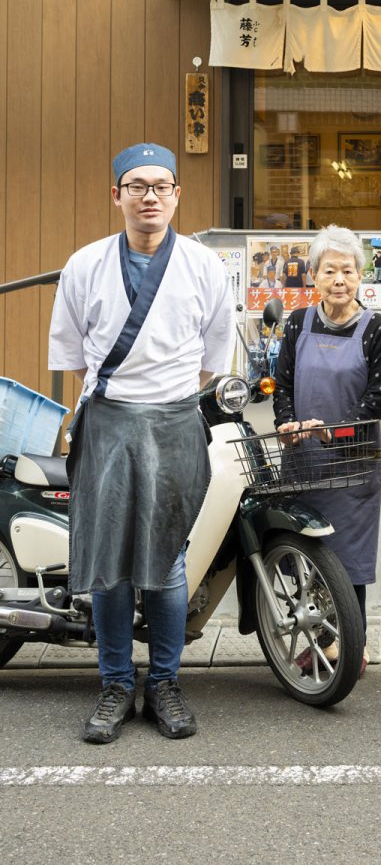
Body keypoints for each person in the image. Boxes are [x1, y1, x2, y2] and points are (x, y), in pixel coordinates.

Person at [48, 143, 235, 744]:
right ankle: (113, 682)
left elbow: (213, 353)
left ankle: (165, 681)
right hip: (108, 420)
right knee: (109, 557)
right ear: (117, 195)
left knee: (168, 557)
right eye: (137, 185)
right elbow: (72, 354)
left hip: (176, 420)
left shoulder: (204, 266)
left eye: (160, 185)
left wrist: (167, 399)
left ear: (177, 194)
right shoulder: (84, 264)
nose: (149, 195)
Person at [273, 225, 381, 675]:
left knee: (348, 559)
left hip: (353, 465)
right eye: (330, 270)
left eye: (348, 270)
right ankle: (323, 640)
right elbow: (282, 383)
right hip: (302, 457)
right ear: (314, 275)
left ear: (360, 275)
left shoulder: (378, 330)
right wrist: (285, 423)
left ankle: (352, 646)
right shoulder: (298, 322)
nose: (339, 279)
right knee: (306, 557)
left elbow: (376, 401)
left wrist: (337, 432)